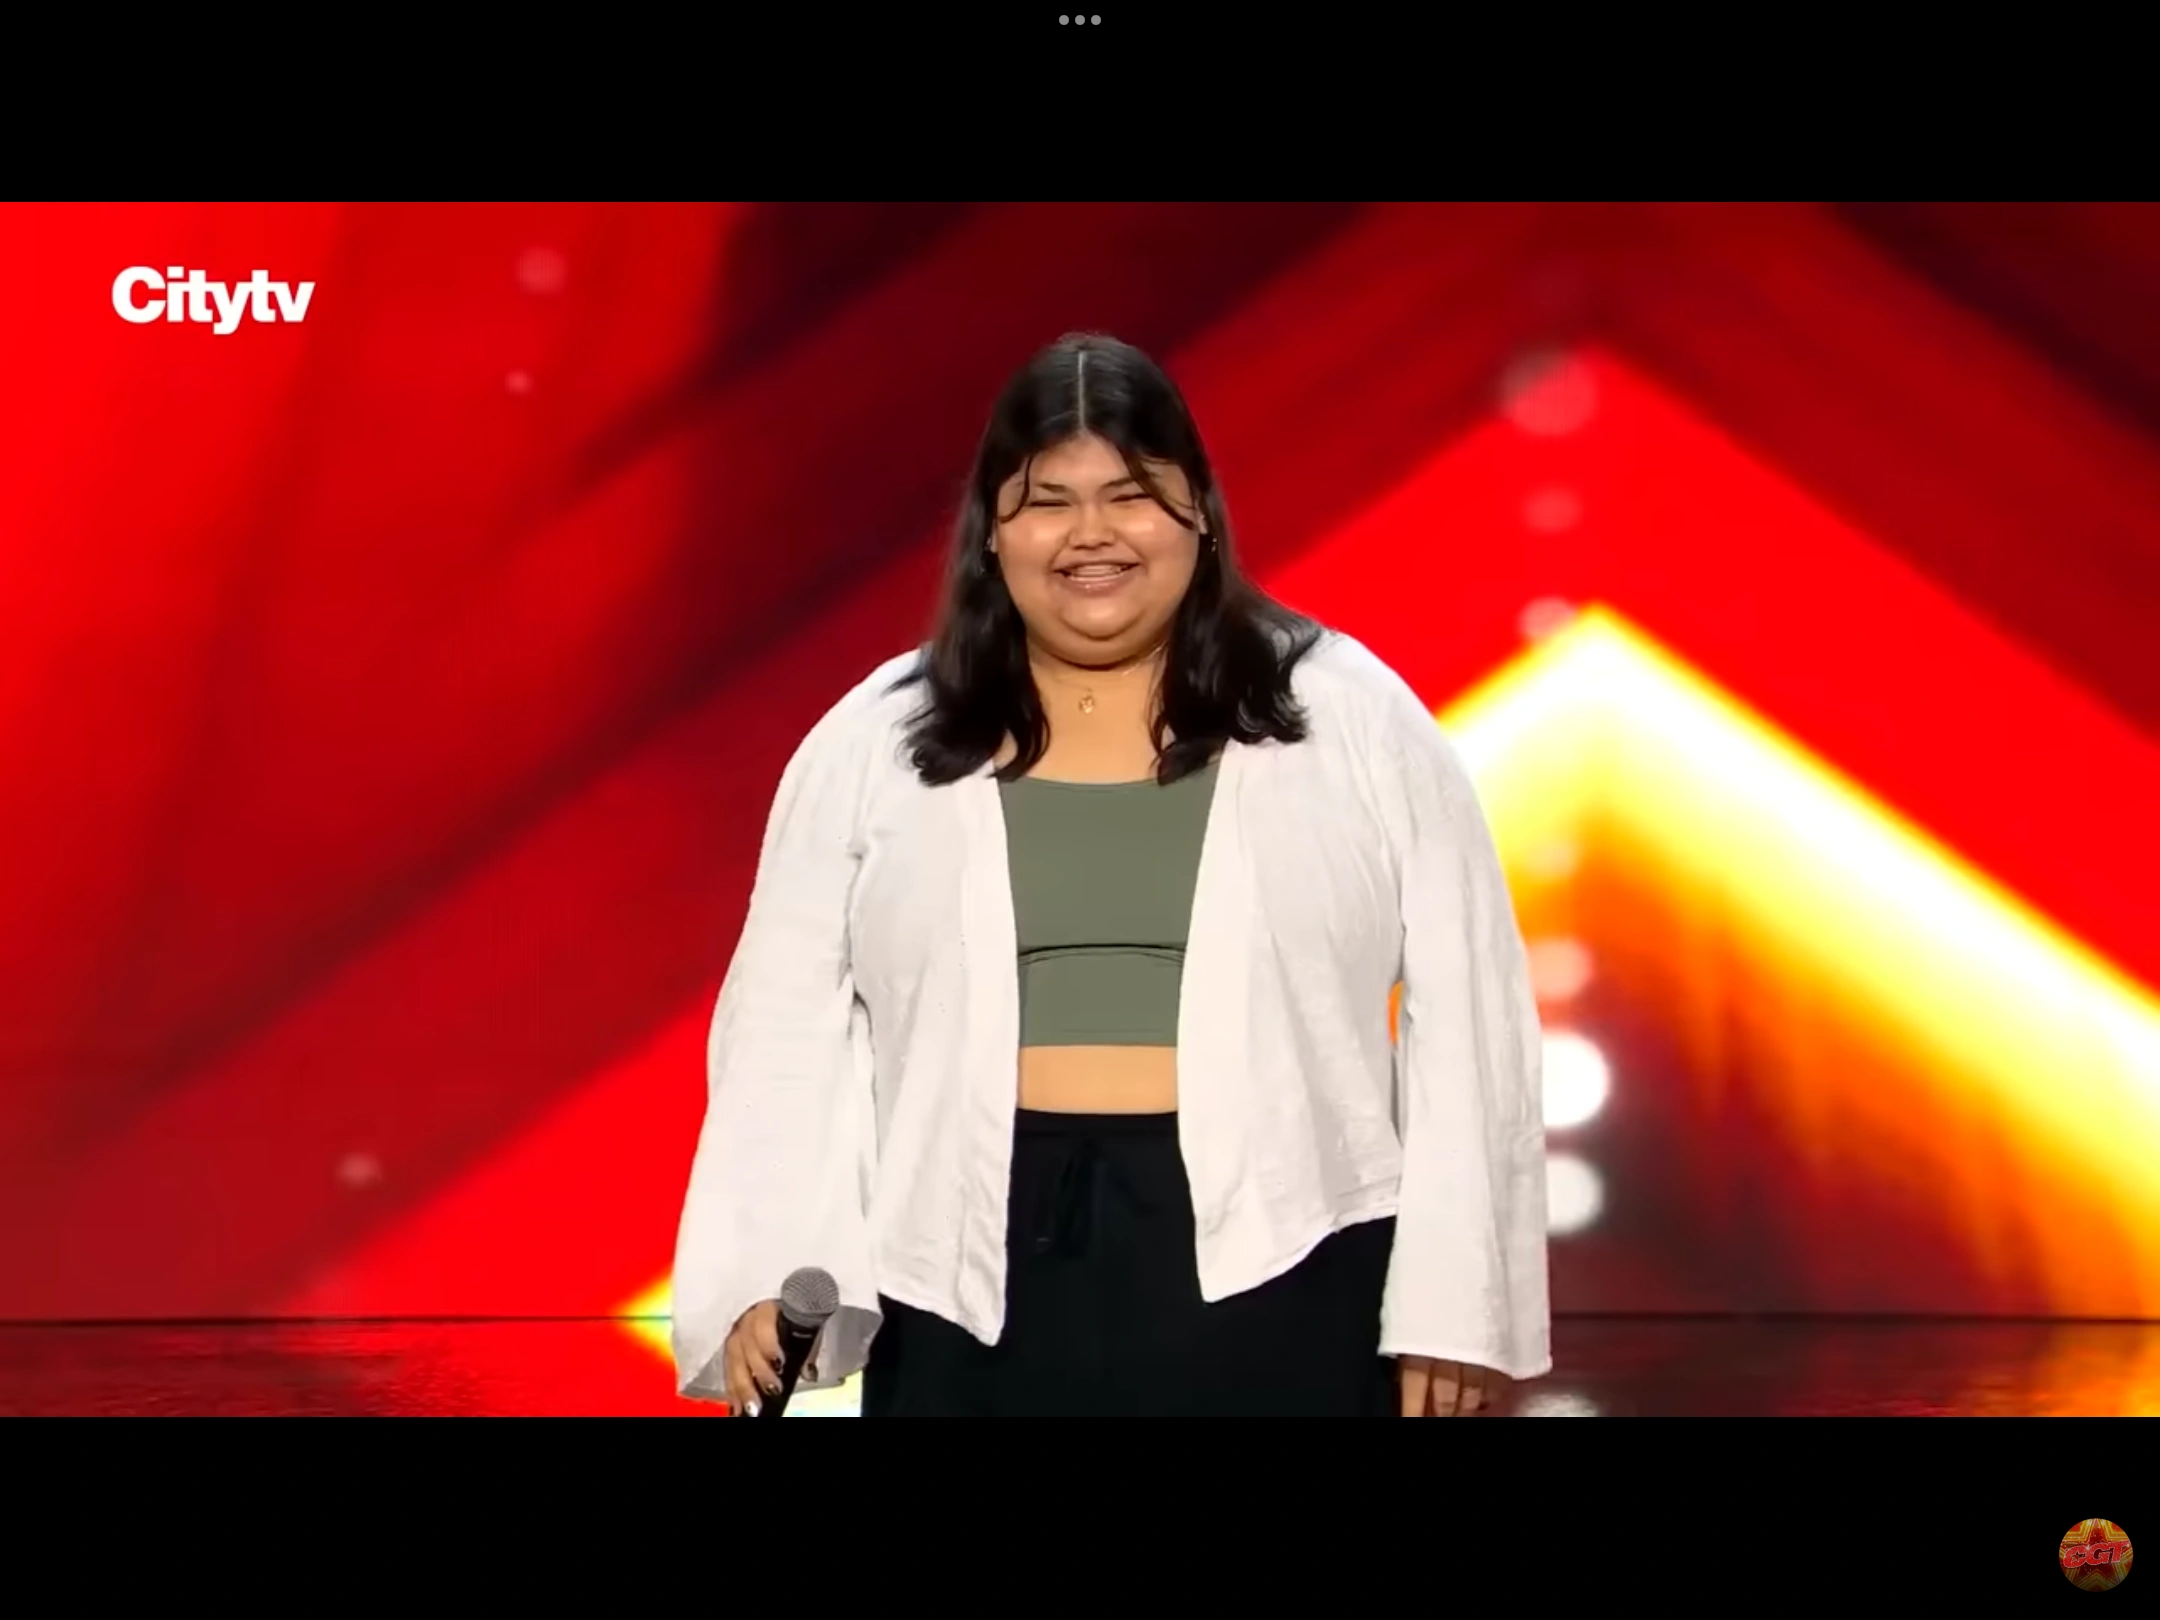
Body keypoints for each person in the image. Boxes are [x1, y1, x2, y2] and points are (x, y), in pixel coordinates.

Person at [671, 332, 1550, 1417]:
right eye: (1047, 501)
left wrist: (1456, 1305)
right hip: (962, 1269)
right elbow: (781, 1030)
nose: (1091, 533)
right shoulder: (877, 738)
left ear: (1198, 514)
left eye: (1131, 495)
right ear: (993, 530)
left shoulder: (1347, 714)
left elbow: (1472, 1008)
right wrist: (766, 1265)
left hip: (1290, 1254)